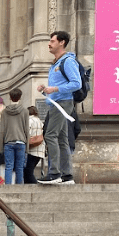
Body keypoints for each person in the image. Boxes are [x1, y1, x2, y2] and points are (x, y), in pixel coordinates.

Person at [37, 31, 80, 185]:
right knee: (62, 139)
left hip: (62, 103)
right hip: (58, 102)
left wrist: (54, 89)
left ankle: (54, 173)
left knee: (50, 135)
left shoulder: (67, 61)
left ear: (62, 42)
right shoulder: (57, 62)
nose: (49, 43)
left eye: (52, 41)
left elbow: (77, 83)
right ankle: (67, 175)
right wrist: (47, 88)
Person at [0, 89, 30, 186]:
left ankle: (8, 186)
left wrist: (0, 147)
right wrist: (27, 147)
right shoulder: (25, 111)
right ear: (20, 97)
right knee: (19, 167)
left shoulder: (4, 112)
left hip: (8, 142)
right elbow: (26, 129)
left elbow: (2, 130)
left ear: (9, 97)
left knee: (8, 166)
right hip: (21, 142)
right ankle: (19, 186)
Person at [24, 106, 46, 184]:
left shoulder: (29, 121)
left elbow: (27, 134)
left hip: (31, 150)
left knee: (27, 172)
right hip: (40, 150)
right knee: (29, 171)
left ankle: (35, 187)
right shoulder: (40, 121)